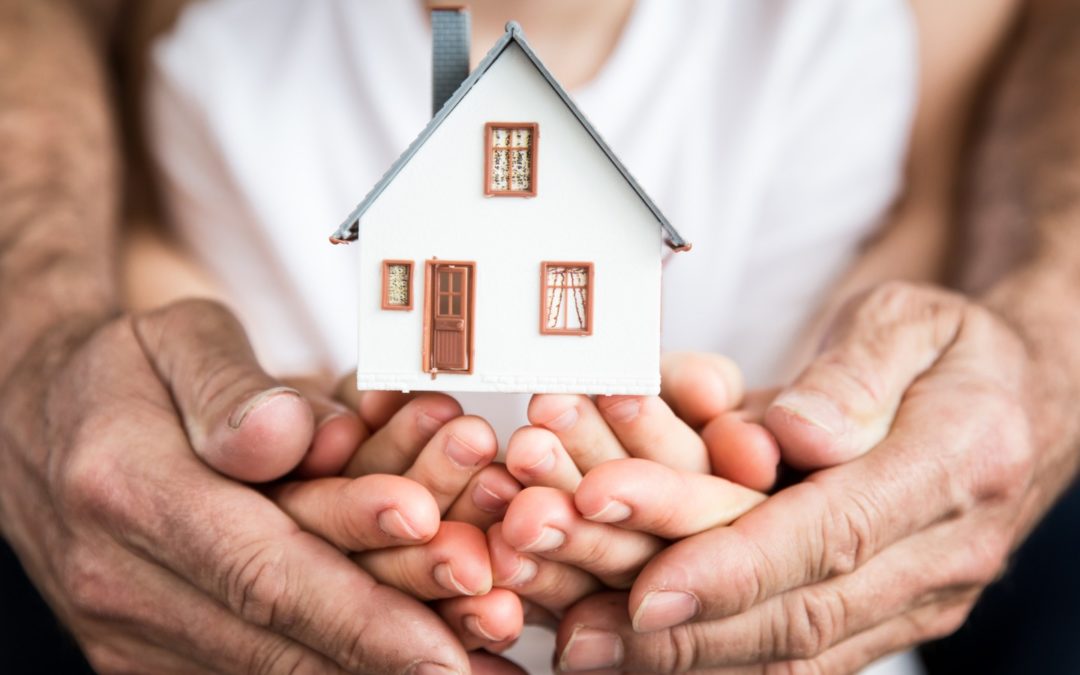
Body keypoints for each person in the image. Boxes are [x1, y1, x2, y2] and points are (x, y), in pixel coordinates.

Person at [2, 2, 1078, 675]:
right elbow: (196, 353)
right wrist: (278, 476)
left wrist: (782, 469)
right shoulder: (221, 64)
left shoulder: (841, 46)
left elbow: (886, 305)